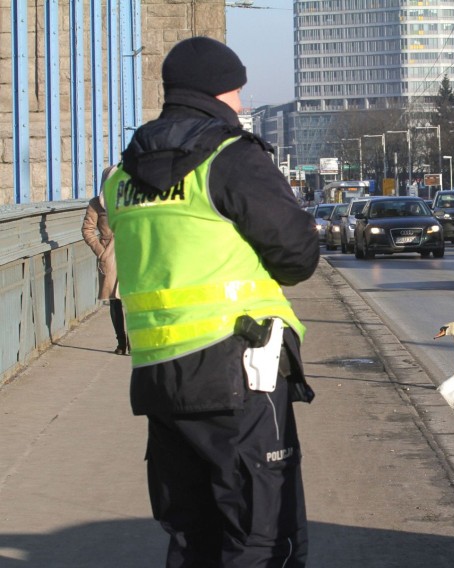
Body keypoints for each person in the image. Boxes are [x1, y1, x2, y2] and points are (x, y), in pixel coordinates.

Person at [101, 37, 319, 566]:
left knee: (190, 534)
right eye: (237, 92)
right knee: (260, 535)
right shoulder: (230, 158)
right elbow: (298, 255)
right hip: (237, 368)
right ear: (218, 93)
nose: (241, 104)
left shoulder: (123, 177)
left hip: (159, 375)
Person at [81, 165, 128, 355]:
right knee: (115, 300)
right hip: (110, 256)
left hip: (131, 252)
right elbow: (87, 230)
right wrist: (101, 252)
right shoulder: (96, 204)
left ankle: (133, 341)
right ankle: (121, 342)